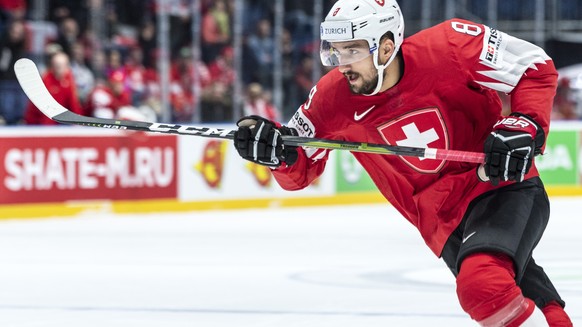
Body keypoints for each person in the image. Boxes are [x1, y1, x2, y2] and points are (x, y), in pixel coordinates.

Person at [232, 0, 573, 326]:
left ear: (385, 46)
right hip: (442, 223)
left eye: (352, 50)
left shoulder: (451, 45)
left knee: (483, 285)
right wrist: (276, 153)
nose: (342, 63)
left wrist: (525, 122)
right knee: (511, 294)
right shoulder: (330, 99)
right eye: (335, 51)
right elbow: (299, 167)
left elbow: (533, 65)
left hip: (499, 185)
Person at [24, 51, 83, 125]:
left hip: (59, 119)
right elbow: (47, 109)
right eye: (57, 65)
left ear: (67, 66)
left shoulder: (69, 78)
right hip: (38, 121)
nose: (59, 68)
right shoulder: (46, 79)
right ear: (52, 66)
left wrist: (78, 122)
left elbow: (73, 102)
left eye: (62, 65)